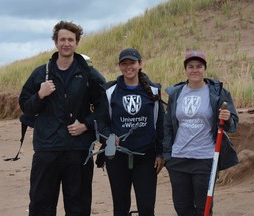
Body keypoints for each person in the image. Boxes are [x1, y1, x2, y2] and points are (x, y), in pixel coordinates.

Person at [19, 20, 105, 216]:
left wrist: (86, 125)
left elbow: (104, 107)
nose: (66, 43)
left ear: (77, 43)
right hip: (47, 149)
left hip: (78, 149)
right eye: (62, 39)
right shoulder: (41, 73)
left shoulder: (88, 74)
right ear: (56, 42)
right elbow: (25, 106)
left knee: (79, 207)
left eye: (71, 40)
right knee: (41, 205)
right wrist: (40, 95)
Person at [162, 50, 239, 216]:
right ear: (186, 70)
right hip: (178, 158)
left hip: (204, 158)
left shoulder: (217, 93)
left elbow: (232, 125)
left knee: (203, 208)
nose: (194, 70)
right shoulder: (176, 93)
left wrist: (226, 119)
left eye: (199, 66)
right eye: (190, 66)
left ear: (204, 69)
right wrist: (168, 155)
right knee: (182, 208)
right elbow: (167, 125)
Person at [97, 48, 164, 216]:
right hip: (117, 158)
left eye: (132, 63)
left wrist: (161, 153)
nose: (129, 67)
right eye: (124, 64)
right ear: (119, 66)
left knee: (147, 208)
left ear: (140, 64)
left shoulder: (153, 90)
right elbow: (101, 122)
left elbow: (161, 124)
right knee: (120, 207)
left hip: (146, 157)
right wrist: (109, 137)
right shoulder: (109, 91)